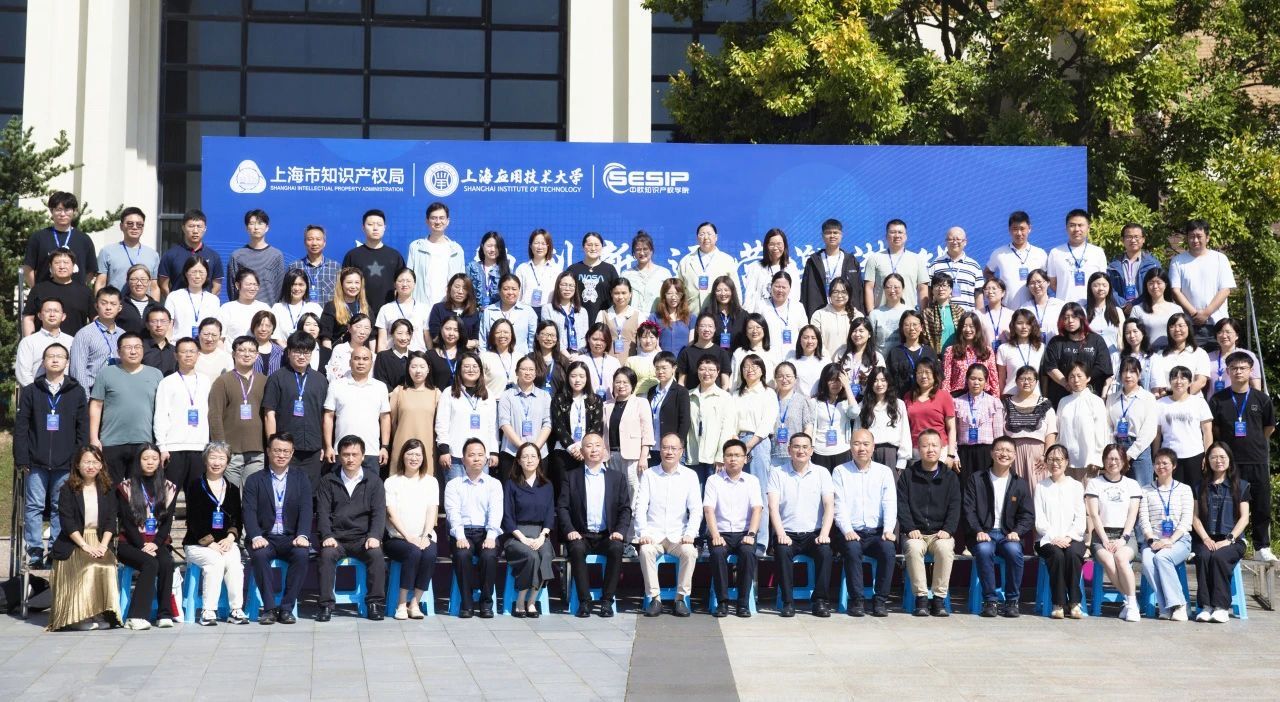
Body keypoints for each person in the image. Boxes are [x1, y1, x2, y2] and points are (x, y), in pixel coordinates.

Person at [15, 343, 88, 568]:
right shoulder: (31, 390)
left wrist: (78, 459)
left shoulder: (76, 391)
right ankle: (35, 552)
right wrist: (22, 458)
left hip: (66, 463)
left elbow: (82, 428)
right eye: (50, 356)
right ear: (43, 361)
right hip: (36, 462)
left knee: (60, 507)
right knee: (34, 507)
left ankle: (56, 552)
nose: (55, 360)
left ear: (67, 362)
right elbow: (21, 427)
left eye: (60, 356)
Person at [1207, 351, 1276, 561]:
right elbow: (1215, 430)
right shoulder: (1218, 399)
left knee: (1261, 503)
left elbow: (1269, 428)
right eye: (1234, 368)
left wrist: (1255, 442)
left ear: (1250, 370)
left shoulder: (1262, 399)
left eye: (1243, 368)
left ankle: (1261, 546)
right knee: (1230, 504)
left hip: (1256, 459)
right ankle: (1235, 542)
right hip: (1230, 462)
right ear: (1228, 372)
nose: (1238, 371)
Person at [46, 446, 120, 631]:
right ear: (78, 465)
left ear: (101, 465)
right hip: (75, 542)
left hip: (100, 539)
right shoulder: (68, 489)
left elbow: (111, 521)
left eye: (95, 462)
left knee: (107, 566)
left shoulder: (107, 488)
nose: (91, 466)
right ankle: (79, 616)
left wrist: (103, 546)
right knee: (89, 566)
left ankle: (99, 613)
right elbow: (67, 523)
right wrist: (85, 546)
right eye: (86, 462)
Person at [315, 435, 388, 622]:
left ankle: (374, 604)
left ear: (363, 456)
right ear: (339, 456)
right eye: (346, 454)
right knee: (326, 555)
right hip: (336, 538)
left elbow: (379, 513)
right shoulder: (328, 481)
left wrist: (374, 536)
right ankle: (325, 606)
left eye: (355, 454)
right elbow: (322, 512)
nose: (350, 459)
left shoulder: (374, 481)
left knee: (376, 556)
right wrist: (327, 535)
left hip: (363, 538)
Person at [559, 433, 631, 618]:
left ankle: (607, 601)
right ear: (582, 451)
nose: (593, 450)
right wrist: (570, 530)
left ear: (604, 450)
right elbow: (562, 507)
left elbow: (625, 509)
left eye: (598, 445)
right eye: (589, 446)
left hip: (607, 534)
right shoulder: (571, 477)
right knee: (576, 549)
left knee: (617, 548)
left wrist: (620, 531)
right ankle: (584, 602)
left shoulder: (617, 478)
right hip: (581, 534)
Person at [243, 433, 312, 625]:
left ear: (292, 453)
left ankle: (286, 608)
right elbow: (248, 511)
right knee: (259, 556)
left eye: (286, 451)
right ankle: (269, 608)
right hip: (265, 537)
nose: (281, 455)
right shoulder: (255, 480)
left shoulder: (301, 478)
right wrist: (255, 535)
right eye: (277, 450)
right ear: (268, 451)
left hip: (291, 537)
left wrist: (303, 534)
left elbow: (307, 508)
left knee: (302, 554)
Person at [831, 429, 898, 617]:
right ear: (850, 447)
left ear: (873, 447)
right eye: (857, 443)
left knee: (888, 549)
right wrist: (847, 530)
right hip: (851, 532)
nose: (862, 448)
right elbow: (838, 505)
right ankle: (857, 601)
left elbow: (889, 502)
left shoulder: (884, 472)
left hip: (877, 532)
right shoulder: (840, 471)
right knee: (852, 549)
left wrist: (888, 530)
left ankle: (880, 600)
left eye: (866, 444)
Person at [965, 437, 1034, 618]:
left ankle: (1012, 601)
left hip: (1007, 535)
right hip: (984, 534)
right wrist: (978, 530)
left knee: (1014, 551)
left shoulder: (1019, 483)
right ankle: (990, 601)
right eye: (1000, 449)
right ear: (992, 453)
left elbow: (1027, 515)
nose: (1004, 454)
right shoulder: (977, 479)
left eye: (1008, 451)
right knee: (984, 550)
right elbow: (968, 510)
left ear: (1014, 456)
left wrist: (1017, 532)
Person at [768, 433, 835, 617]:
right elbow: (773, 507)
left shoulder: (822, 473)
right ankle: (788, 602)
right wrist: (780, 533)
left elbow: (829, 505)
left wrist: (824, 533)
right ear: (789, 450)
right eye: (796, 447)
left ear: (811, 450)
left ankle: (820, 601)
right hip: (787, 533)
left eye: (805, 447)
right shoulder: (777, 472)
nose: (801, 451)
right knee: (782, 551)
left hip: (814, 534)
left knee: (825, 552)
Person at [183, 442, 250, 626]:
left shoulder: (232, 488)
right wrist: (209, 543)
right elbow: (193, 519)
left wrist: (230, 537)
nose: (217, 462)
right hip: (197, 544)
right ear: (205, 461)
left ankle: (236, 609)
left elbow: (237, 518)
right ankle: (208, 611)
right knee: (215, 561)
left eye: (221, 458)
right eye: (213, 457)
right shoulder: (195, 486)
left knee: (235, 562)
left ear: (227, 462)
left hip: (224, 543)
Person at [637, 432, 702, 617]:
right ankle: (655, 598)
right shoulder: (649, 474)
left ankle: (680, 598)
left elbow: (696, 509)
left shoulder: (690, 476)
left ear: (681, 451)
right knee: (645, 551)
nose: (669, 452)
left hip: (678, 536)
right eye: (665, 447)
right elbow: (640, 507)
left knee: (690, 552)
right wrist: (643, 532)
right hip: (654, 535)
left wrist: (690, 533)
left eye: (674, 448)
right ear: (660, 450)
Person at [115, 444, 179, 629]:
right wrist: (142, 545)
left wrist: (156, 543)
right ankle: (135, 617)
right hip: (130, 544)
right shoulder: (126, 487)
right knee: (150, 563)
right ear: (138, 461)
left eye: (154, 458)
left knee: (166, 562)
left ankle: (164, 614)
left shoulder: (169, 487)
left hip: (157, 543)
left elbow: (167, 522)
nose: (150, 462)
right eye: (145, 458)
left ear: (160, 461)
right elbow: (127, 523)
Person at [898, 429, 960, 616]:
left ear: (942, 448)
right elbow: (902, 505)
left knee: (945, 548)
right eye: (925, 446)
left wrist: (948, 529)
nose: (930, 449)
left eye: (934, 445)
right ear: (918, 449)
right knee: (913, 548)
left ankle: (939, 599)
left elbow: (955, 507)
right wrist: (910, 528)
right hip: (915, 533)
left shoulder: (950, 477)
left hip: (940, 534)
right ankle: (921, 599)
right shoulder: (908, 475)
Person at [89, 333, 163, 483]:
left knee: (139, 490)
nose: (133, 351)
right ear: (119, 352)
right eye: (128, 347)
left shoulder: (156, 374)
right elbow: (96, 405)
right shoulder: (106, 373)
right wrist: (94, 438)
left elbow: (162, 410)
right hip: (111, 441)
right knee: (109, 488)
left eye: (137, 347)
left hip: (144, 442)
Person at [1191, 443, 1251, 622]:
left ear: (1229, 460)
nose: (1218, 461)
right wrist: (1205, 538)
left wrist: (1229, 539)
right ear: (1207, 461)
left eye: (1222, 457)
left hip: (1233, 540)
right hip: (1206, 538)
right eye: (1214, 457)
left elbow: (1244, 518)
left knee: (1219, 557)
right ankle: (1206, 606)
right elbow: (1195, 518)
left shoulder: (1241, 485)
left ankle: (1221, 607)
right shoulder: (1199, 486)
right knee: (1203, 556)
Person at [444, 438, 504, 618]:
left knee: (489, 555)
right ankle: (467, 603)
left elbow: (496, 512)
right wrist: (460, 536)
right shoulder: (453, 485)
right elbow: (452, 513)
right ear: (463, 459)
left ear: (486, 458)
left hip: (486, 532)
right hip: (462, 532)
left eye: (480, 455)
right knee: (462, 555)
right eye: (471, 455)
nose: (476, 458)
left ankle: (486, 603)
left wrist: (491, 536)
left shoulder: (494, 484)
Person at [704, 439, 763, 618]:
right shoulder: (713, 480)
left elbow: (757, 509)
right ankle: (722, 602)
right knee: (717, 553)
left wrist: (751, 534)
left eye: (737, 455)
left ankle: (742, 604)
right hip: (720, 532)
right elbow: (708, 509)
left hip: (745, 533)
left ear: (745, 459)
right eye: (729, 455)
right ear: (723, 458)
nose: (733, 459)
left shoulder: (752, 481)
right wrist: (715, 535)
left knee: (748, 553)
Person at [261, 332, 329, 486]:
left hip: (313, 448)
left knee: (310, 491)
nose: (302, 356)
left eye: (306, 352)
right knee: (284, 489)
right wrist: (273, 445)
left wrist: (325, 445)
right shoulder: (277, 378)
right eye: (297, 351)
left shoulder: (320, 380)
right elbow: (269, 414)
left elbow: (325, 415)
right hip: (285, 449)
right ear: (289, 352)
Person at [1085, 444, 1143, 622]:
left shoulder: (1132, 484)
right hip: (1101, 535)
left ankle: (1130, 604)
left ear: (1124, 461)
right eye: (1109, 458)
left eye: (1117, 458)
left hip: (1125, 534)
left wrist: (1123, 539)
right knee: (1109, 561)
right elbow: (1094, 515)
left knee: (1121, 558)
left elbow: (1132, 515)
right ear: (1104, 460)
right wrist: (1104, 540)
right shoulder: (1094, 483)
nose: (1113, 462)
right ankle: (1131, 602)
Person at [383, 439, 439, 620]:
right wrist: (408, 537)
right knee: (413, 552)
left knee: (429, 554)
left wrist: (426, 535)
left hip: (423, 536)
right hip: (397, 539)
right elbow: (391, 514)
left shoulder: (431, 482)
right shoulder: (391, 482)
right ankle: (401, 604)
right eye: (410, 454)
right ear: (403, 456)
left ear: (423, 458)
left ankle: (415, 603)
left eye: (418, 454)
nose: (414, 458)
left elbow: (431, 511)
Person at [1138, 448, 1195, 621]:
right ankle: (1167, 606)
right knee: (1148, 561)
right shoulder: (1145, 490)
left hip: (1179, 540)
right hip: (1153, 540)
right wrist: (1151, 540)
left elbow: (1186, 521)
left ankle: (1179, 605)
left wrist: (1169, 540)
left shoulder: (1184, 489)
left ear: (1174, 466)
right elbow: (1144, 520)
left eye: (1165, 463)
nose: (1161, 466)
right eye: (1157, 463)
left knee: (1162, 558)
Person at [500, 442, 555, 618]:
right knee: (531, 556)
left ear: (539, 459)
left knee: (545, 554)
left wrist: (542, 536)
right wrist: (523, 539)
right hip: (516, 535)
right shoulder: (511, 484)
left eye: (533, 456)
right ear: (518, 461)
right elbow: (507, 517)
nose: (529, 460)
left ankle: (531, 601)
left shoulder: (547, 485)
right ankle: (520, 601)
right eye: (525, 456)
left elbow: (549, 515)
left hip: (540, 534)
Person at [1035, 444, 1087, 619]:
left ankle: (1075, 602)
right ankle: (1058, 603)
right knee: (1056, 555)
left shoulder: (1076, 486)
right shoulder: (1041, 486)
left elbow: (1080, 518)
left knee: (1072, 554)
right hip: (1047, 539)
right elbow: (1040, 519)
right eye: (1050, 459)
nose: (1054, 463)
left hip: (1073, 538)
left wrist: (1068, 537)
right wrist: (1054, 537)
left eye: (1058, 459)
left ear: (1066, 462)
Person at [208, 336, 267, 488]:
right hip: (231, 451)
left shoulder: (265, 381)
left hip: (257, 450)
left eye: (251, 351)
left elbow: (269, 415)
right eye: (242, 350)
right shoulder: (223, 381)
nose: (247, 354)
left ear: (257, 355)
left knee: (252, 493)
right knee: (231, 494)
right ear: (234, 354)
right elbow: (215, 415)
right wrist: (221, 448)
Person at [323, 345, 391, 475]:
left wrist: (384, 447)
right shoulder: (336, 385)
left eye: (365, 359)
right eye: (357, 358)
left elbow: (385, 418)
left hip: (371, 452)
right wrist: (328, 446)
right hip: (342, 451)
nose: (361, 362)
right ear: (350, 362)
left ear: (371, 362)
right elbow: (328, 416)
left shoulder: (380, 387)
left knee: (370, 486)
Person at [152, 338, 208, 494]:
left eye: (192, 351)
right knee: (168, 498)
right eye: (183, 352)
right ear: (176, 355)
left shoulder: (206, 381)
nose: (188, 355)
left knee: (197, 498)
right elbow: (161, 415)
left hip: (200, 447)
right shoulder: (167, 382)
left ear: (198, 355)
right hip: (173, 447)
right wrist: (162, 446)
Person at [1169, 220, 1235, 349]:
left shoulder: (1220, 259)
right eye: (1191, 236)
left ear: (1207, 237)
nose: (1195, 240)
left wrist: (1206, 313)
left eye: (1199, 236)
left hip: (1218, 325)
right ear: (1187, 238)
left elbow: (1225, 290)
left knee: (1220, 360)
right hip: (1189, 326)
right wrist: (1194, 314)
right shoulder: (1177, 261)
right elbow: (1175, 291)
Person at [435, 352, 499, 480]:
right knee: (455, 491)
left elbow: (493, 426)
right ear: (459, 370)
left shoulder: (488, 395)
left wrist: (493, 451)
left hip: (481, 457)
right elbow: (442, 423)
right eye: (466, 366)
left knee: (480, 491)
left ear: (480, 370)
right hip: (455, 455)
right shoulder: (449, 393)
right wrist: (444, 450)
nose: (471, 370)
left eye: (475, 366)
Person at [549, 361, 605, 499]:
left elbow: (596, 426)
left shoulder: (595, 400)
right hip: (563, 452)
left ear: (587, 378)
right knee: (563, 492)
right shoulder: (559, 399)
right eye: (573, 376)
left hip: (587, 453)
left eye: (581, 376)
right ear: (568, 377)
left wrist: (582, 447)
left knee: (583, 493)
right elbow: (558, 426)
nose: (577, 380)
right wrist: (572, 447)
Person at [603, 367, 654, 511]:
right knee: (614, 490)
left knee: (633, 489)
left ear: (633, 384)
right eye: (618, 382)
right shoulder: (606, 405)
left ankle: (633, 522)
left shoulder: (641, 403)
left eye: (625, 382)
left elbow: (647, 432)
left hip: (633, 457)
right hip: (611, 455)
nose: (621, 385)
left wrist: (643, 456)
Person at [23, 192, 98, 289]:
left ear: (74, 211)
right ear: (51, 211)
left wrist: (81, 289)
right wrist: (36, 290)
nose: (62, 214)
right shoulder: (38, 237)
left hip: (75, 294)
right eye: (58, 210)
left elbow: (90, 271)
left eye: (67, 210)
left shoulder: (84, 239)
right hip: (46, 294)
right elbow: (28, 268)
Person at [342, 209, 405, 321]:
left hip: (389, 314)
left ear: (384, 227)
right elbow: (343, 286)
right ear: (363, 227)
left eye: (379, 225)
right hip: (359, 314)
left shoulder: (395, 256)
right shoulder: (353, 255)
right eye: (370, 224)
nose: (375, 228)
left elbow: (403, 286)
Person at [1002, 365, 1059, 488]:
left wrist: (1046, 456)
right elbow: (1001, 432)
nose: (1026, 382)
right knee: (1014, 491)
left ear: (1036, 382)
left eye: (1030, 379)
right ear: (1016, 381)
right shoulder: (1006, 404)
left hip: (1038, 457)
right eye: (1022, 379)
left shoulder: (1045, 404)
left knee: (1037, 490)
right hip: (1012, 455)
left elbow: (1051, 433)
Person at [497, 356, 553, 479]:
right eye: (524, 369)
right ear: (517, 372)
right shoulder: (507, 395)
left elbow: (547, 423)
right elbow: (504, 423)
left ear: (536, 372)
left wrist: (534, 450)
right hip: (511, 454)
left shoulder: (544, 396)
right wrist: (523, 448)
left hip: (539, 454)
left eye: (531, 369)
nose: (528, 372)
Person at [1155, 366, 1213, 485]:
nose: (1178, 381)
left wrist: (1207, 455)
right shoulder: (1160, 404)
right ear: (1169, 381)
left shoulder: (1199, 402)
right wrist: (1155, 457)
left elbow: (1207, 432)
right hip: (1169, 456)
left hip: (1195, 454)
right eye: (1174, 378)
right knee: (1172, 490)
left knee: (1196, 492)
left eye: (1183, 378)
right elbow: (1157, 434)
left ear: (1190, 382)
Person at [1108, 357, 1160, 487]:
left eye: (1132, 371)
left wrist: (1130, 454)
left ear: (1139, 374)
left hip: (1139, 451)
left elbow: (1149, 430)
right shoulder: (1112, 398)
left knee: (1142, 491)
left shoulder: (1148, 398)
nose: (1128, 375)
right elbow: (1107, 426)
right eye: (1124, 371)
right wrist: (1114, 450)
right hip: (1116, 449)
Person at [687, 356, 738, 488]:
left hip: (714, 458)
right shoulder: (688, 396)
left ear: (718, 372)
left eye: (711, 369)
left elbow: (727, 428)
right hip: (692, 456)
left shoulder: (725, 397)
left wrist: (721, 456)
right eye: (702, 369)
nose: (706, 373)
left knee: (713, 494)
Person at [800, 218, 866, 317]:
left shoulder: (851, 261)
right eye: (828, 233)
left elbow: (859, 292)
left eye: (835, 232)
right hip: (820, 313)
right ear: (822, 236)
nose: (832, 236)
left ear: (841, 235)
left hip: (846, 313)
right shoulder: (813, 261)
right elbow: (805, 292)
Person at [1055, 362, 1110, 481]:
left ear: (1088, 378)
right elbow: (1058, 431)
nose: (1076, 380)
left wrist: (1098, 458)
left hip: (1088, 461)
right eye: (1072, 376)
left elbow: (1101, 432)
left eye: (1079, 376)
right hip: (1066, 461)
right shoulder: (1063, 402)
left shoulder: (1096, 401)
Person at [387, 351, 439, 475]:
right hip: (401, 446)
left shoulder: (436, 394)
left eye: (422, 366)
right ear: (408, 369)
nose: (418, 371)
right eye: (414, 366)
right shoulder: (399, 392)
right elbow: (392, 423)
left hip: (427, 447)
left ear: (428, 369)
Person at [953, 364, 1004, 488]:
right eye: (973, 378)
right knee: (965, 489)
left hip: (986, 453)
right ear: (967, 379)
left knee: (985, 489)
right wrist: (954, 454)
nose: (976, 383)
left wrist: (998, 456)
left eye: (980, 379)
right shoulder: (957, 402)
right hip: (964, 453)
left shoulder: (994, 402)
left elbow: (998, 435)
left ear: (986, 382)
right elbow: (953, 432)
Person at [984, 210, 1048, 309]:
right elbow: (987, 272)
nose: (1019, 233)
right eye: (1015, 229)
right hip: (1007, 309)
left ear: (1029, 228)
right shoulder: (999, 253)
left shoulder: (1040, 253)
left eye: (1022, 229)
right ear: (1009, 230)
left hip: (1034, 310)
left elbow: (1047, 279)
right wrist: (998, 289)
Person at [406, 202, 466, 306]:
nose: (438, 222)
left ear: (447, 221)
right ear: (427, 221)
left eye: (441, 218)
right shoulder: (416, 247)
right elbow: (409, 278)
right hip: (421, 306)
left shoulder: (456, 250)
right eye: (434, 218)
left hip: (448, 306)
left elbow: (461, 281)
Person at [22, 250, 93, 337]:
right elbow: (28, 318)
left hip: (77, 342)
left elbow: (95, 319)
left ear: (73, 266)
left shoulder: (85, 292)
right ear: (50, 266)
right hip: (44, 342)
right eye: (57, 263)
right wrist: (30, 341)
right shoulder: (38, 289)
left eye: (66, 262)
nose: (62, 266)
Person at [854, 367, 911, 475]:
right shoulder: (863, 405)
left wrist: (902, 460)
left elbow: (905, 432)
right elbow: (857, 432)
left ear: (888, 382)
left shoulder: (899, 404)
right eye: (875, 380)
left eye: (883, 380)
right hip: (868, 453)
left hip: (890, 454)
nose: (879, 384)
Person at [863, 219, 929, 311]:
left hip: (909, 315)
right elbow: (869, 288)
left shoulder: (917, 259)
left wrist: (922, 314)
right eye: (892, 232)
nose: (897, 235)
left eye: (900, 232)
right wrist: (871, 313)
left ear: (906, 236)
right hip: (881, 313)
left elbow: (923, 289)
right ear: (886, 236)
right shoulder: (874, 258)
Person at [904, 357, 958, 468]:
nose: (923, 376)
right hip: (916, 450)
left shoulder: (944, 396)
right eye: (920, 372)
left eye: (927, 372)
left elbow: (951, 428)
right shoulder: (908, 396)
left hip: (939, 450)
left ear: (935, 374)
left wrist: (951, 455)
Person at [69, 287, 125, 392]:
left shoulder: (123, 335)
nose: (108, 308)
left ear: (119, 307)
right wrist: (85, 397)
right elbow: (77, 370)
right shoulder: (84, 334)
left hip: (118, 391)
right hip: (93, 391)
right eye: (104, 303)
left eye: (113, 304)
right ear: (96, 306)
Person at [1046, 209, 1106, 305]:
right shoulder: (1055, 253)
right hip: (1065, 308)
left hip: (1091, 308)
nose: (1077, 229)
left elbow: (1103, 282)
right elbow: (1053, 283)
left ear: (1088, 228)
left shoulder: (1098, 252)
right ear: (1066, 228)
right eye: (1072, 225)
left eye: (1080, 225)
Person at [158, 209, 223, 297]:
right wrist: (173, 301)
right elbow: (163, 285)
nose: (195, 231)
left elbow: (217, 286)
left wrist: (207, 302)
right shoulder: (170, 255)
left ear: (205, 229)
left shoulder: (214, 256)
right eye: (191, 226)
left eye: (199, 226)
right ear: (183, 228)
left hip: (204, 304)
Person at [227, 209, 285, 306]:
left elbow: (280, 287)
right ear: (247, 228)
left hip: (268, 310)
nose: (256, 227)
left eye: (260, 223)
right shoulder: (237, 256)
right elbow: (232, 287)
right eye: (252, 223)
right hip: (243, 309)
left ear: (267, 227)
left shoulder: (276, 255)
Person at [96, 207, 159, 293]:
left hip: (144, 301)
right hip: (115, 301)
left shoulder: (152, 254)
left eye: (139, 224)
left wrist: (154, 302)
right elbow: (100, 283)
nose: (135, 227)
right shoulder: (107, 251)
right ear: (121, 226)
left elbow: (154, 287)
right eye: (130, 224)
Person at [647, 355, 692, 475]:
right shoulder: (652, 391)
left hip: (671, 448)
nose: (660, 371)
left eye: (664, 368)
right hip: (653, 446)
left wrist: (678, 445)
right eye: (657, 368)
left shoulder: (681, 392)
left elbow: (685, 421)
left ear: (674, 368)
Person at [810, 363, 859, 470]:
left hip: (842, 450)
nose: (835, 384)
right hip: (820, 451)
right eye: (831, 380)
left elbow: (855, 413)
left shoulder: (846, 402)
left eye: (838, 380)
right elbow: (810, 426)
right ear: (825, 381)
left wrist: (847, 386)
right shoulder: (815, 402)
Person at [15, 298, 75, 387]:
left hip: (66, 392)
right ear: (40, 315)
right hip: (36, 392)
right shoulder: (28, 342)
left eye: (56, 311)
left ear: (63, 316)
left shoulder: (72, 341)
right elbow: (23, 374)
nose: (52, 315)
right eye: (47, 311)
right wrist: (37, 392)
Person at [678, 221, 737, 310]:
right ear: (697, 238)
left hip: (719, 312)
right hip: (692, 312)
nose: (706, 237)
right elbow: (679, 290)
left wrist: (737, 312)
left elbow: (735, 289)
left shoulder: (727, 260)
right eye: (702, 234)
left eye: (709, 234)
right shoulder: (685, 261)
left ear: (716, 237)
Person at [740, 228, 800, 314]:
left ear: (784, 246)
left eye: (779, 244)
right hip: (761, 315)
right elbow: (749, 296)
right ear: (766, 246)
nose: (775, 248)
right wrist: (748, 317)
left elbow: (795, 295)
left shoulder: (791, 267)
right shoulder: (756, 267)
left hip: (784, 315)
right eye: (772, 244)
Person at [1149, 313, 1210, 397]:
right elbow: (1157, 383)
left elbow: (1201, 382)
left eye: (1181, 326)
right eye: (1172, 326)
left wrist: (1181, 398)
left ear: (1189, 328)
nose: (1177, 329)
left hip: (1192, 398)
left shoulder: (1200, 353)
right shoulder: (1160, 355)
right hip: (1166, 399)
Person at [164, 257, 222, 343]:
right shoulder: (174, 296)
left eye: (201, 272)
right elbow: (168, 326)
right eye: (194, 272)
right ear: (186, 273)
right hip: (178, 346)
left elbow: (216, 328)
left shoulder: (213, 300)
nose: (197, 276)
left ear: (207, 275)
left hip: (204, 347)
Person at [1106, 223, 1161, 312]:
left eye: (1136, 237)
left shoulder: (1153, 264)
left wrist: (1135, 304)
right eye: (1129, 237)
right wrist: (1123, 304)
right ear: (1122, 240)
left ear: (1143, 239)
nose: (1133, 240)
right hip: (1120, 310)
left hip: (1146, 309)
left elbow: (1157, 288)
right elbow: (1109, 288)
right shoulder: (1113, 266)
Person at [940, 312, 998, 396]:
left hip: (983, 395)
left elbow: (994, 379)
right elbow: (946, 380)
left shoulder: (987, 351)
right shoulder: (950, 351)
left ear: (977, 328)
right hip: (959, 396)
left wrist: (996, 399)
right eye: (964, 326)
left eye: (971, 326)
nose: (968, 330)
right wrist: (946, 400)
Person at [479, 274, 538, 357]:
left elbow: (533, 340)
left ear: (519, 290)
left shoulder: (528, 311)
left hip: (521, 359)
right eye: (506, 289)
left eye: (514, 289)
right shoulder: (489, 311)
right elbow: (483, 340)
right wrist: (483, 358)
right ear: (499, 290)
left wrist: (530, 358)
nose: (510, 292)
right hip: (493, 359)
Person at [567, 231, 620, 321]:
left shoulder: (609, 269)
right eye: (589, 245)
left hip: (603, 320)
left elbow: (617, 293)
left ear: (602, 247)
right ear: (583, 247)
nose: (593, 248)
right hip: (578, 319)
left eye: (597, 245)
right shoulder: (573, 269)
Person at [927, 226, 983, 311]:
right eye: (951, 239)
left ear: (965, 242)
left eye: (958, 239)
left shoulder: (974, 266)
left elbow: (979, 294)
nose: (955, 242)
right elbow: (928, 292)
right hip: (941, 315)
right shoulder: (935, 264)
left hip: (967, 317)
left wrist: (979, 315)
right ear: (946, 242)